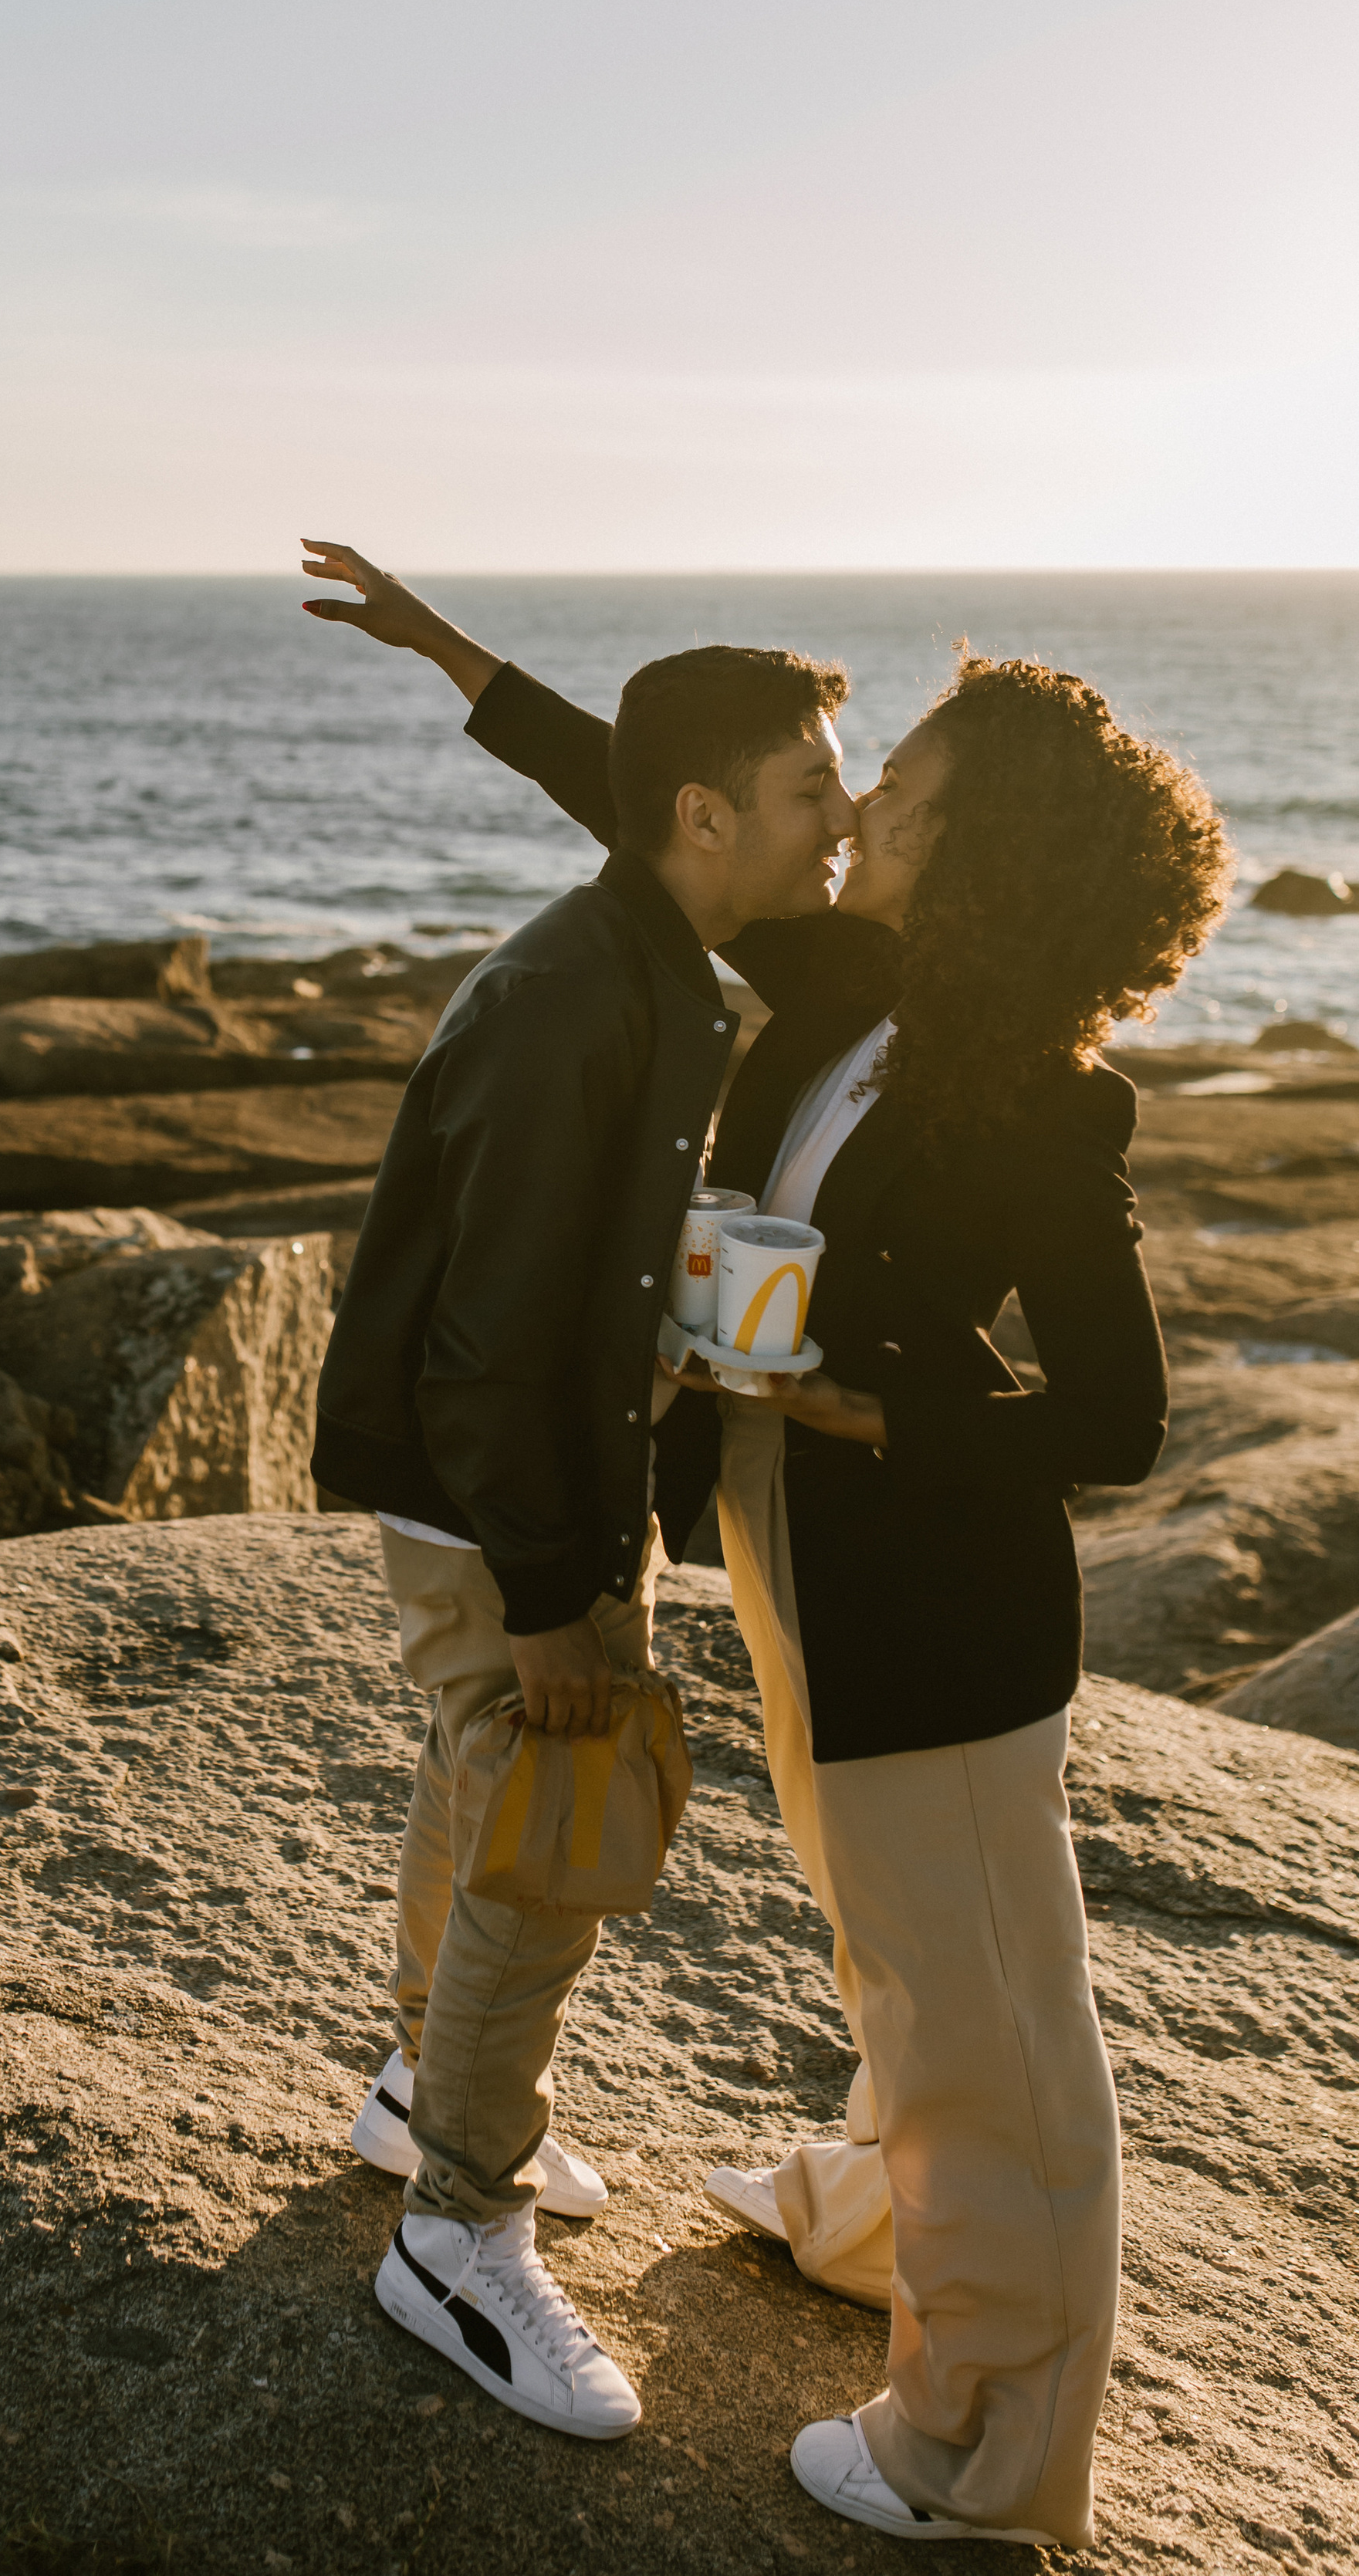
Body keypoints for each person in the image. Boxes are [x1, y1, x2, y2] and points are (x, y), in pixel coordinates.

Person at [299, 540, 1230, 2550]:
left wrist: (877, 1407)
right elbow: (663, 823)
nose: (862, 814)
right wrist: (464, 662)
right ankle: (877, 2213)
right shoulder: (852, 988)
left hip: (924, 1590)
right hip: (786, 1547)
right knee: (892, 1957)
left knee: (987, 2015)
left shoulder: (1037, 1099)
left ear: (972, 859)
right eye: (855, 784)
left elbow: (1121, 1418)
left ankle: (975, 2444)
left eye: (898, 796)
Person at [309, 612, 857, 2439]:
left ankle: (415, 2086)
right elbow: (486, 1336)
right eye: (809, 789)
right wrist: (562, 1598)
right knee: (549, 1827)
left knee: (482, 1784)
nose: (839, 820)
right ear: (704, 815)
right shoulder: (579, 993)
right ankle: (455, 2230)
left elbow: (568, 1279)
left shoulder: (651, 946)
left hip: (518, 1475)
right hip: (500, 1490)